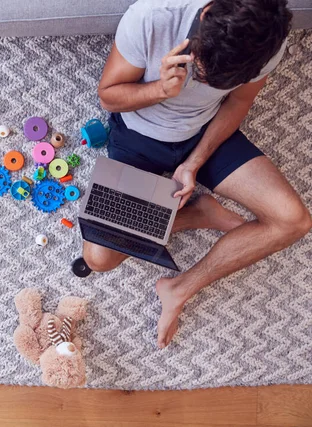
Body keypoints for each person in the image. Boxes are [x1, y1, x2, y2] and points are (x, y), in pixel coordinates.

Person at [86, 0, 312, 348]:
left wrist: (194, 161)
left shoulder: (269, 36)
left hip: (206, 136)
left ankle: (178, 289)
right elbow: (109, 96)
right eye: (202, 71)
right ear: (205, 17)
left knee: (293, 221)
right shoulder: (152, 17)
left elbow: (238, 102)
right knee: (99, 259)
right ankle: (196, 215)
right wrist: (160, 89)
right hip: (137, 136)